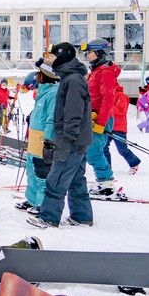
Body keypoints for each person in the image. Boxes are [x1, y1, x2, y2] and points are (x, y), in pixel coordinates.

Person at [29, 42, 95, 229]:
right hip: (78, 138)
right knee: (75, 179)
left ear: (63, 56)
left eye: (53, 56)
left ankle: (48, 217)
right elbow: (45, 64)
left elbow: (74, 112)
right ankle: (82, 216)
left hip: (71, 139)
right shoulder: (69, 76)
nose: (51, 59)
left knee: (56, 178)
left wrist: (66, 138)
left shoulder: (73, 80)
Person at [19, 58, 59, 215]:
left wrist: (49, 141)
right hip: (34, 139)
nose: (36, 76)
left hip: (43, 140)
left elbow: (52, 119)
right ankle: (32, 200)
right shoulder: (42, 92)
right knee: (31, 169)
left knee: (42, 173)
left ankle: (43, 204)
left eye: (39, 73)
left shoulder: (53, 93)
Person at [83, 40, 120, 195]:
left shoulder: (105, 73)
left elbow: (108, 99)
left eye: (90, 52)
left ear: (100, 53)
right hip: (91, 118)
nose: (87, 55)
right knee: (89, 150)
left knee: (94, 151)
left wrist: (101, 122)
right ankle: (104, 181)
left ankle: (107, 184)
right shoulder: (95, 72)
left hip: (100, 119)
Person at [107, 80, 141, 174]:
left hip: (118, 128)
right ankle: (106, 167)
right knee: (103, 147)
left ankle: (134, 163)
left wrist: (107, 107)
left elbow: (121, 110)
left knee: (122, 149)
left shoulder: (121, 96)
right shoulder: (106, 96)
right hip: (108, 126)